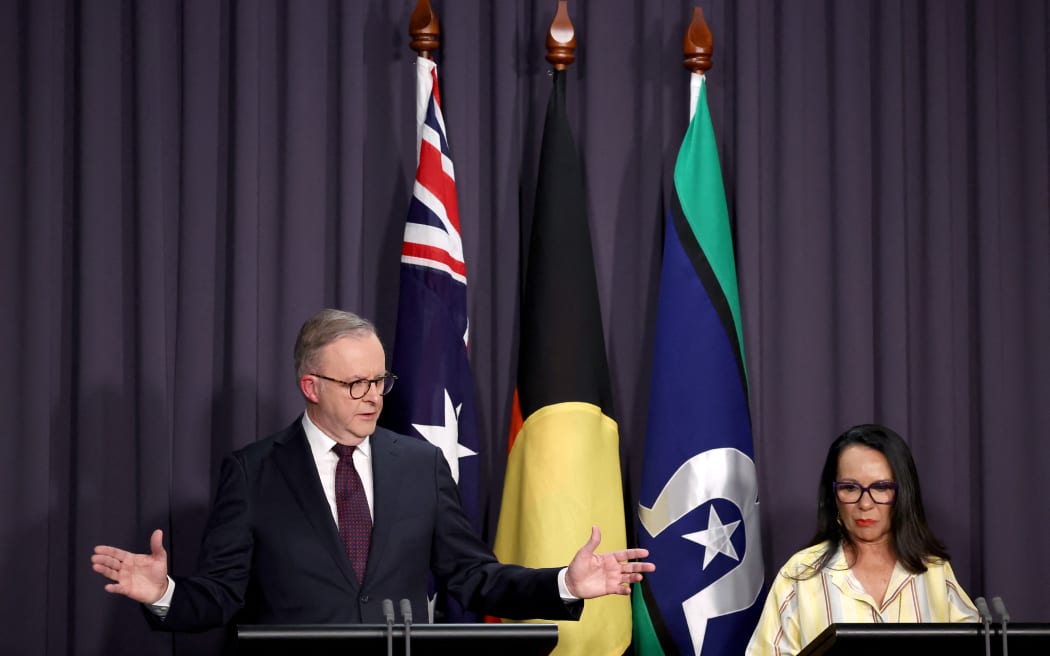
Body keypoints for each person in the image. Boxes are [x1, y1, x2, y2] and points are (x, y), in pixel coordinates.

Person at [91, 308, 654, 635]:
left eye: (380, 381)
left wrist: (564, 582)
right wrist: (163, 592)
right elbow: (218, 596)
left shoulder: (420, 465)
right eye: (355, 384)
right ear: (310, 387)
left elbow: (474, 576)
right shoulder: (253, 472)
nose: (373, 398)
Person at [746, 424, 977, 655]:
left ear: (903, 494)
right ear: (833, 496)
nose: (865, 504)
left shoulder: (934, 570)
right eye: (849, 488)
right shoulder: (799, 575)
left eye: (881, 487)